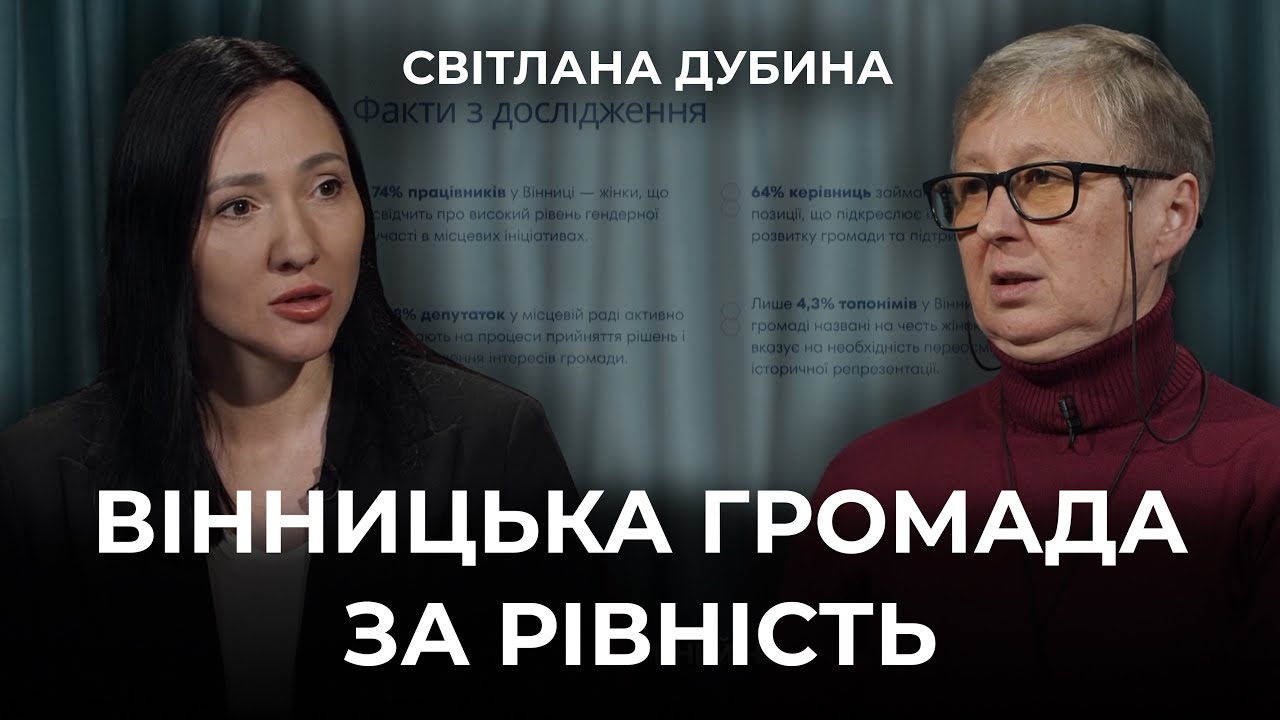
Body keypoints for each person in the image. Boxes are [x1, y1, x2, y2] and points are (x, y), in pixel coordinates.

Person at [0, 36, 601, 716]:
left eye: (326, 188)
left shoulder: (490, 448)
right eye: (238, 206)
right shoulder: (39, 479)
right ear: (159, 240)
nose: (299, 247)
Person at [779, 24, 1279, 708]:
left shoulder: (1262, 475)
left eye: (1042, 180)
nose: (991, 226)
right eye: (973, 188)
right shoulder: (869, 484)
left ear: (1172, 214)